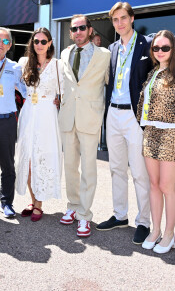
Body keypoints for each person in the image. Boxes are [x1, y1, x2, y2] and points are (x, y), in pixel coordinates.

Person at [96, 2, 152, 245]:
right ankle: (120, 215)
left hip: (134, 116)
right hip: (114, 114)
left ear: (132, 18)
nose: (119, 23)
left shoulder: (148, 45)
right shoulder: (112, 48)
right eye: (115, 20)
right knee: (116, 168)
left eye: (123, 18)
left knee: (139, 172)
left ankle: (144, 221)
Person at [136, 30, 175, 253]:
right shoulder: (151, 74)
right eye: (156, 48)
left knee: (167, 186)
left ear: (173, 49)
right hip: (151, 133)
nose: (160, 51)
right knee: (154, 185)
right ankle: (156, 230)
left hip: (171, 134)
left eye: (165, 48)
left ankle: (170, 234)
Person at [59, 14, 110, 237]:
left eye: (82, 28)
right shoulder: (64, 53)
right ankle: (73, 205)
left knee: (89, 169)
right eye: (74, 29)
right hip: (68, 116)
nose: (77, 32)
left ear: (90, 30)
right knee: (70, 167)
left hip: (90, 117)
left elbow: (111, 84)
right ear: (70, 32)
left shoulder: (105, 55)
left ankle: (84, 215)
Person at [15, 27, 63, 222]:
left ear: (50, 43)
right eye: (36, 41)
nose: (40, 45)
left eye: (44, 41)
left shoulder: (58, 65)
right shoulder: (24, 62)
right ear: (32, 44)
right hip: (28, 113)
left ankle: (39, 204)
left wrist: (59, 100)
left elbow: (64, 90)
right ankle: (33, 200)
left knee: (42, 157)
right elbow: (17, 85)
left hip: (46, 115)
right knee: (27, 158)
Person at [0, 27, 26, 218]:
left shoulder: (15, 67)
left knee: (8, 165)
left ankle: (7, 203)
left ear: (10, 45)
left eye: (5, 41)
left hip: (7, 121)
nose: (1, 44)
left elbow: (26, 91)